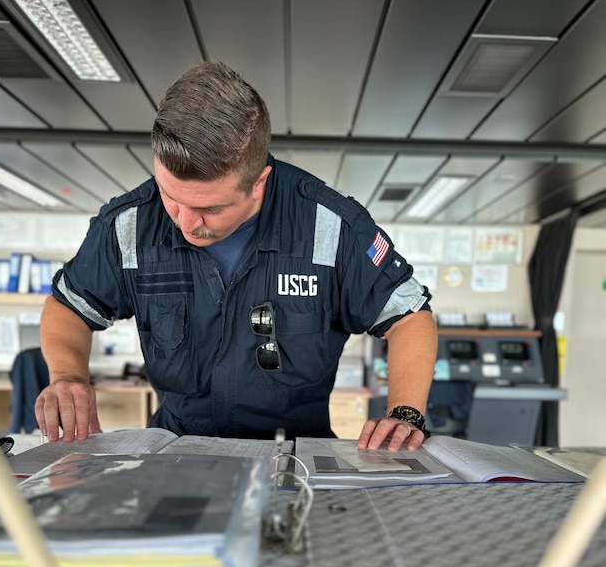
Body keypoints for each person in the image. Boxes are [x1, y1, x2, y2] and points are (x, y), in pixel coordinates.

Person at [35, 61, 437, 452]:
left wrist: (405, 413)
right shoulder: (128, 225)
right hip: (176, 454)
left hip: (293, 462)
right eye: (171, 197)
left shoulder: (331, 227)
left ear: (258, 183)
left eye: (210, 209)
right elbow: (68, 307)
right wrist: (68, 376)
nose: (186, 223)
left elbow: (409, 318)